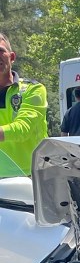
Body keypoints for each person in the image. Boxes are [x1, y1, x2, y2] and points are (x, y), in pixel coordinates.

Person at [0, 32, 48, 177]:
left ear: (12, 57)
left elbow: (24, 129)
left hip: (34, 176)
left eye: (1, 51)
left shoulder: (33, 89)